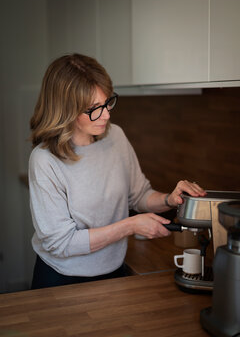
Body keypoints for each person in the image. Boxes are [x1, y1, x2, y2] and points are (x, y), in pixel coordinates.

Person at [29, 53, 206, 289]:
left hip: (113, 272)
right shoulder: (45, 160)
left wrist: (169, 199)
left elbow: (139, 195)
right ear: (66, 110)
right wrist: (130, 226)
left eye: (107, 102)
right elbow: (61, 243)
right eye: (94, 108)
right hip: (61, 280)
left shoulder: (116, 136)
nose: (107, 114)